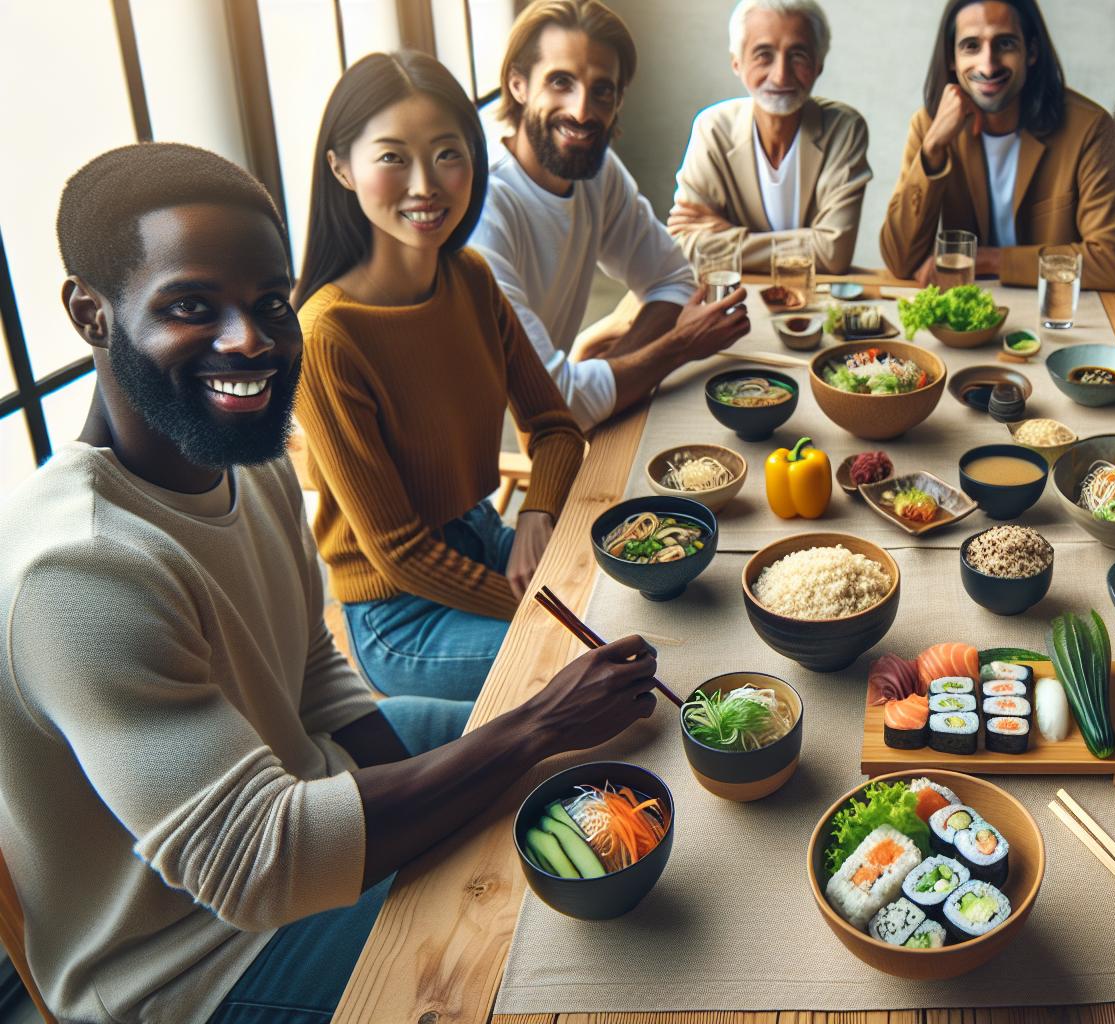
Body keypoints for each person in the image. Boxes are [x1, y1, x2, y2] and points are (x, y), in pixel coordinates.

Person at [0, 140, 662, 1023]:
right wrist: (527, 732)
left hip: (306, 791)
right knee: (563, 949)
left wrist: (466, 778)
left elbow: (309, 662)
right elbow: (257, 864)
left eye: (271, 304)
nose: (250, 341)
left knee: (594, 774)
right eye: (191, 306)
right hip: (196, 966)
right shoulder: (76, 568)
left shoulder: (250, 459)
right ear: (91, 313)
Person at [294, 51, 587, 701]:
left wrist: (538, 513)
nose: (425, 184)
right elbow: (399, 550)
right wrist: (545, 610)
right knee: (583, 661)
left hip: (482, 535)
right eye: (393, 157)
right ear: (341, 167)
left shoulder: (471, 279)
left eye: (448, 154)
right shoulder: (327, 336)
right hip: (399, 613)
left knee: (629, 614)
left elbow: (555, 427)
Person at [470, 0, 749, 431]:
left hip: (554, 406)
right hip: (481, 434)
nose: (582, 111)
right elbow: (553, 401)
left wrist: (614, 368)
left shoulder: (596, 169)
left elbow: (673, 279)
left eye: (601, 90)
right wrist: (678, 346)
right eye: (560, 82)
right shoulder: (483, 205)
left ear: (617, 101)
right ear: (518, 85)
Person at [878, 0, 1115, 290]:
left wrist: (986, 261)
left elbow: (1113, 263)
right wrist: (933, 150)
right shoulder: (929, 127)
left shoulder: (1089, 129)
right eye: (971, 46)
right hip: (966, 320)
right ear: (952, 57)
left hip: (1059, 316)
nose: (988, 66)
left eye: (1005, 44)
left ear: (1032, 52)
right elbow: (899, 261)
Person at [668, 0, 872, 276]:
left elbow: (833, 253)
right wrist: (808, 244)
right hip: (734, 300)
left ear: (818, 65)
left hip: (814, 304)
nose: (780, 75)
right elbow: (684, 243)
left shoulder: (844, 130)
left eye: (797, 55)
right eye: (764, 55)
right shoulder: (713, 129)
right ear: (737, 63)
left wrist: (727, 236)